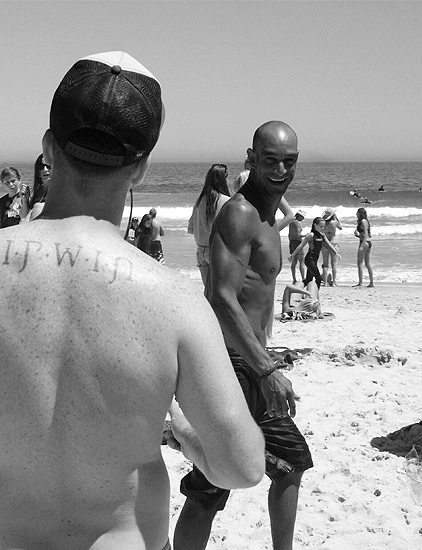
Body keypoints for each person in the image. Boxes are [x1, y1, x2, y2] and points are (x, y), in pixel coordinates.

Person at [0, 51, 263, 550]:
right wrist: (185, 435)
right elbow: (243, 466)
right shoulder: (175, 300)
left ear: (48, 149)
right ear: (140, 167)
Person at [174, 121, 313, 550]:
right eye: (269, 160)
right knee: (213, 485)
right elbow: (221, 296)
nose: (279, 170)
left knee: (284, 465)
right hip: (233, 365)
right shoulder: (241, 213)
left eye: (288, 162)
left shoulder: (269, 215)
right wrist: (267, 368)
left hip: (248, 361)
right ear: (250, 159)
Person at [189, 163, 230, 287]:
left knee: (208, 292)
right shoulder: (226, 201)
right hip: (217, 251)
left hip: (200, 250)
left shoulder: (199, 201)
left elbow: (191, 228)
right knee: (222, 292)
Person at [291, 217, 340, 289]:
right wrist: (292, 255)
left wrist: (336, 253)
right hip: (309, 259)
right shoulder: (311, 235)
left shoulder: (322, 235)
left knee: (308, 280)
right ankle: (314, 295)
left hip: (314, 260)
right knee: (318, 278)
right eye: (321, 226)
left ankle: (296, 290)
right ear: (315, 225)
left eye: (323, 226)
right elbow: (301, 245)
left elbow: (329, 244)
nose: (322, 228)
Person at [320, 207, 342, 286]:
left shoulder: (323, 223)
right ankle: (334, 282)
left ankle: (325, 282)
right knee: (334, 264)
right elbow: (340, 227)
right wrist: (336, 217)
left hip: (325, 243)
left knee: (325, 264)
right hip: (333, 242)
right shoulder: (334, 222)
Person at [354, 206, 374, 287]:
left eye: (357, 213)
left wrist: (362, 245)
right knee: (367, 263)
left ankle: (361, 282)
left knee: (360, 263)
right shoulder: (367, 221)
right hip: (368, 242)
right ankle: (371, 282)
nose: (356, 215)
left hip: (364, 242)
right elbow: (369, 235)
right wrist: (358, 236)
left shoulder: (363, 221)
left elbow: (365, 234)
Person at [27, 154, 51, 220]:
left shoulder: (60, 192)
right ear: (38, 173)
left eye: (49, 166)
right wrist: (24, 201)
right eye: (41, 167)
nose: (45, 169)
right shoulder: (37, 193)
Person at [287, 210, 306, 283]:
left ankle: (294, 279)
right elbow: (298, 235)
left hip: (292, 242)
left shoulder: (291, 222)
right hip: (297, 243)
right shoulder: (298, 223)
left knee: (294, 261)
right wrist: (306, 235)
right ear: (299, 216)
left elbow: (290, 235)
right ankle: (303, 278)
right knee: (301, 261)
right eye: (302, 217)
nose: (303, 218)